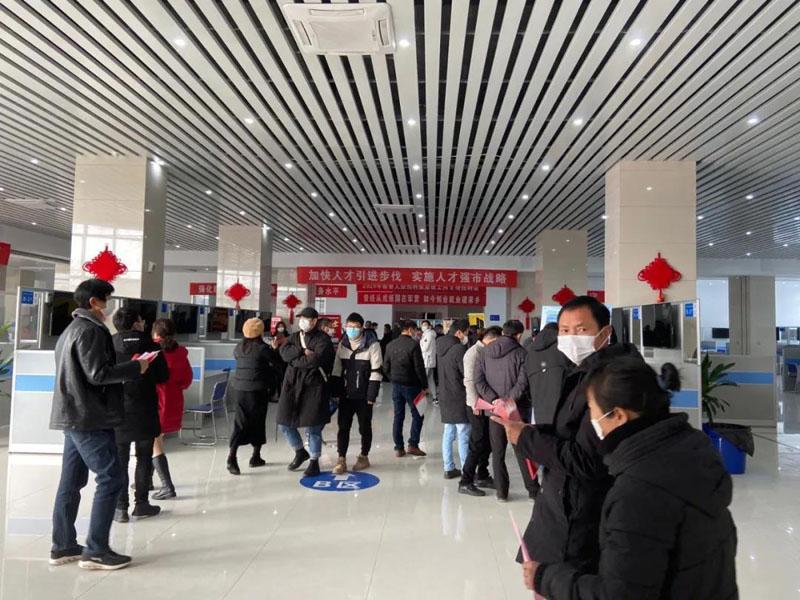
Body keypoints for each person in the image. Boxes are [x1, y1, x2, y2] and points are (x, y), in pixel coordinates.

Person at [522, 358, 738, 599]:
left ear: (618, 416)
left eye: (592, 410)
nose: (591, 420)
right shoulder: (694, 451)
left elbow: (619, 594)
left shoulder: (637, 492)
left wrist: (545, 578)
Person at [497, 296, 642, 575]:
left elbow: (587, 460)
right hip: (563, 503)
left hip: (586, 513)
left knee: (569, 582)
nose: (571, 338)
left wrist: (526, 438)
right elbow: (570, 431)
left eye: (581, 329)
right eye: (564, 331)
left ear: (605, 333)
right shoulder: (582, 372)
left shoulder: (613, 382)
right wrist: (530, 431)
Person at [49, 279, 150, 571]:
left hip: (72, 414)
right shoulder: (90, 330)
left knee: (70, 482)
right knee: (111, 477)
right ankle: (96, 550)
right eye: (107, 299)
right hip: (88, 417)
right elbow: (97, 374)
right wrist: (136, 367)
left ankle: (64, 545)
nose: (109, 307)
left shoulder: (70, 330)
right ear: (94, 302)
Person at [111, 307, 169, 524]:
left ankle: (120, 507)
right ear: (136, 323)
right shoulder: (152, 346)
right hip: (145, 408)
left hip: (117, 410)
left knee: (120, 460)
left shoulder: (109, 344)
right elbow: (163, 376)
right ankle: (141, 504)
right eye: (141, 320)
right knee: (144, 457)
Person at [473, 319, 535, 502]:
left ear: (502, 332)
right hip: (516, 410)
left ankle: (501, 492)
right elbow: (523, 383)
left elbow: (478, 380)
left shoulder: (484, 352)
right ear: (518, 335)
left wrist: (494, 400)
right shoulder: (522, 353)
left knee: (497, 452)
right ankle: (533, 490)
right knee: (522, 451)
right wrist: (507, 401)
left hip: (494, 411)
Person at [277, 307, 335, 477]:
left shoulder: (323, 339)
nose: (303, 321)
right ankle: (300, 451)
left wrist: (294, 360)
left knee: (314, 426)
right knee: (284, 423)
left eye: (307, 319)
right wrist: (302, 351)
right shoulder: (294, 336)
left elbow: (314, 361)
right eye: (301, 318)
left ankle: (314, 461)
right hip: (292, 386)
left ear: (315, 321)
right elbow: (284, 353)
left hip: (313, 387)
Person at [330, 312, 382, 474]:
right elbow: (337, 369)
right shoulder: (343, 344)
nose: (352, 329)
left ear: (362, 328)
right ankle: (341, 459)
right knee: (343, 427)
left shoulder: (372, 345)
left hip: (364, 396)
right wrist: (335, 391)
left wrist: (371, 396)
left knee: (364, 427)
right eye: (349, 326)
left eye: (355, 327)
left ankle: (364, 456)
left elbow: (376, 371)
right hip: (346, 395)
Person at [227, 318, 279, 475]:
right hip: (258, 390)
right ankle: (254, 456)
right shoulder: (263, 348)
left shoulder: (238, 348)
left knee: (240, 422)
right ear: (260, 332)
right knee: (258, 422)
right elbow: (277, 363)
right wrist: (274, 349)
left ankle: (232, 457)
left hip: (240, 389)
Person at [152, 318, 193, 500]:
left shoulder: (151, 353)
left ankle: (167, 486)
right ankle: (146, 480)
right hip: (173, 402)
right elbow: (187, 380)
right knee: (154, 440)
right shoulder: (180, 354)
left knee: (154, 442)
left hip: (155, 402)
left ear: (156, 333)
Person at [457, 327, 500, 496]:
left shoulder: (486, 351)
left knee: (487, 441)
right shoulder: (473, 353)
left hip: (486, 404)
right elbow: (469, 381)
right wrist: (475, 403)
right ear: (492, 339)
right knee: (477, 442)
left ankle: (482, 474)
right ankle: (465, 481)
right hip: (476, 405)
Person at [383, 319, 428, 457]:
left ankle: (399, 448)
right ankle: (413, 445)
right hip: (412, 386)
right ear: (409, 329)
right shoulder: (413, 345)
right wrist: (424, 385)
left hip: (396, 386)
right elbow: (419, 368)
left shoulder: (390, 345)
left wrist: (393, 379)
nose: (415, 332)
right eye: (415, 330)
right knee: (418, 414)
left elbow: (385, 367)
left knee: (398, 416)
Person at [437, 319, 472, 479]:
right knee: (463, 434)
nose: (466, 336)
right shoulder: (459, 349)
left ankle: (448, 468)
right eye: (466, 332)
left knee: (448, 433)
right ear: (459, 332)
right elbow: (466, 373)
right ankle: (466, 471)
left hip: (444, 395)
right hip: (458, 396)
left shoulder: (439, 346)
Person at [524, 322, 566, 426]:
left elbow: (525, 382)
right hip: (562, 408)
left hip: (539, 408)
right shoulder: (564, 349)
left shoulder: (529, 352)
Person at [419, 320, 438, 404]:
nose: (423, 326)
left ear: (430, 326)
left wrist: (419, 346)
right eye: (422, 325)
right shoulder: (427, 334)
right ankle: (434, 397)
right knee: (430, 379)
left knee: (423, 380)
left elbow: (424, 348)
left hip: (427, 360)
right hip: (428, 360)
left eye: (425, 324)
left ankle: (420, 399)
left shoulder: (429, 334)